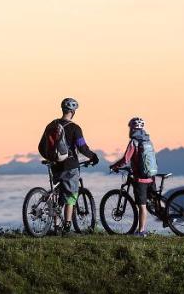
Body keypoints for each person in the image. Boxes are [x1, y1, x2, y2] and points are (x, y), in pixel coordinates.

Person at [37, 98, 99, 233]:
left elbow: (41, 146)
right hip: (70, 165)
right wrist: (93, 157)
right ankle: (67, 225)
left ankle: (56, 226)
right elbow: (82, 147)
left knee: (57, 194)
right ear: (73, 112)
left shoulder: (51, 125)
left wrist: (51, 158)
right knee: (71, 195)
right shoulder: (75, 128)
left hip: (54, 166)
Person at [109, 117, 159, 237]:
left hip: (140, 179)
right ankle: (167, 216)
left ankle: (141, 231)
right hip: (151, 176)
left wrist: (115, 166)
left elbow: (126, 159)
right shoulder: (148, 141)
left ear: (132, 128)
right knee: (155, 199)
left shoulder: (134, 142)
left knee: (142, 206)